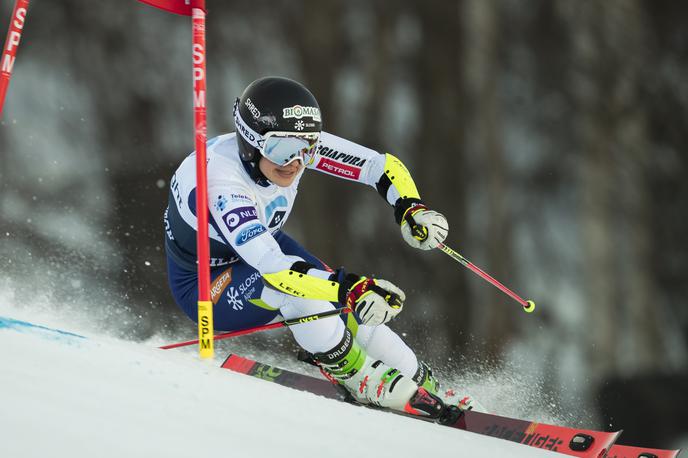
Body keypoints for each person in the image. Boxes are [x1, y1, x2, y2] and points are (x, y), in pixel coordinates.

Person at [164, 76, 476, 414]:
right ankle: (355, 375)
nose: (297, 162)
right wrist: (347, 287)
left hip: (262, 248)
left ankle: (419, 380)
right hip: (206, 282)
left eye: (307, 148)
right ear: (250, 144)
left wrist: (409, 208)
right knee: (309, 291)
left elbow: (379, 167)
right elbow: (274, 269)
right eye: (284, 150)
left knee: (350, 309)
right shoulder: (222, 183)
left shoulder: (290, 147)